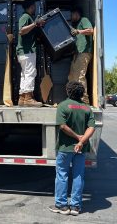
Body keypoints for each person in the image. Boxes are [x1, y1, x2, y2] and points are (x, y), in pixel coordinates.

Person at [49, 81, 95, 216]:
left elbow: (62, 126)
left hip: (65, 147)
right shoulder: (87, 108)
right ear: (82, 92)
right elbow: (91, 127)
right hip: (80, 149)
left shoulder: (63, 106)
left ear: (68, 91)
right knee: (78, 176)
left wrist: (76, 137)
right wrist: (81, 141)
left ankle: (62, 205)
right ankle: (75, 206)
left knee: (62, 175)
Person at [16, 0, 45, 107]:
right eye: (34, 6)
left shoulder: (27, 17)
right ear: (31, 6)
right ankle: (28, 98)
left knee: (24, 74)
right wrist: (35, 24)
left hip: (23, 51)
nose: (35, 9)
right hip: (27, 50)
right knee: (30, 73)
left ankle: (22, 98)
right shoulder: (25, 16)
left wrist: (36, 24)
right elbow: (21, 31)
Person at [69, 8, 94, 104]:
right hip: (77, 54)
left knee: (80, 76)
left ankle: (84, 99)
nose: (71, 17)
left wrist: (79, 31)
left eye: (72, 15)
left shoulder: (84, 20)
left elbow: (91, 31)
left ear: (76, 13)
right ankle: (75, 98)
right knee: (72, 77)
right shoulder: (76, 25)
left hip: (84, 53)